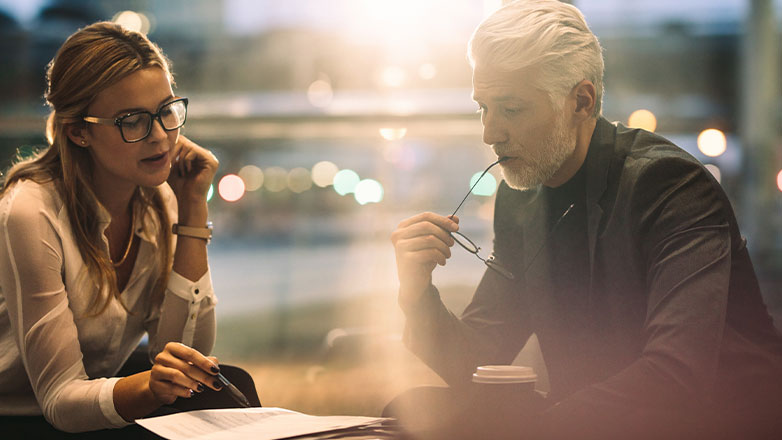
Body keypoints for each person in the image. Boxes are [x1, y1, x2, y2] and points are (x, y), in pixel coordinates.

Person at [389, 1, 782, 438]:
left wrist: (534, 425)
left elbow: (677, 376)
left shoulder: (670, 186)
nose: (490, 132)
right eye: (483, 107)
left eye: (511, 109)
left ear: (581, 100)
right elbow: (479, 361)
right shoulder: (521, 200)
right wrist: (416, 293)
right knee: (406, 411)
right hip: (593, 425)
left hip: (724, 426)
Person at [0, 22, 258, 436]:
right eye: (132, 120)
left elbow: (182, 353)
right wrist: (151, 388)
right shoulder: (31, 211)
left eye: (166, 111)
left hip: (90, 402)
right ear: (79, 132)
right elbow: (59, 400)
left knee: (228, 386)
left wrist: (193, 208)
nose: (161, 137)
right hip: (19, 416)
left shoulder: (161, 197)